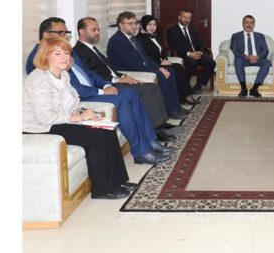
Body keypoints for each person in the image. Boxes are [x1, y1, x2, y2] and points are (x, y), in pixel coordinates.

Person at [26, 18, 175, 164]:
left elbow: (89, 74)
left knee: (131, 93)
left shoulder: (68, 52)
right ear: (46, 35)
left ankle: (150, 141)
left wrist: (105, 86)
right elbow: (68, 89)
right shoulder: (39, 57)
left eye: (66, 32)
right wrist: (101, 92)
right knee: (122, 100)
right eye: (61, 32)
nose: (65, 36)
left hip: (89, 90)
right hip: (80, 97)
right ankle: (141, 152)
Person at [23, 38, 133, 199]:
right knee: (96, 137)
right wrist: (78, 117)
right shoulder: (38, 79)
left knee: (107, 130)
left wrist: (85, 113)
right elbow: (45, 116)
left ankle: (118, 182)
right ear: (45, 56)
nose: (64, 57)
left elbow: (71, 103)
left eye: (66, 53)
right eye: (57, 54)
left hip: (60, 120)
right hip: (40, 127)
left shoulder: (63, 75)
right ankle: (103, 189)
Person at [72, 17, 184, 138]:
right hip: (108, 84)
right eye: (93, 30)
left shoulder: (92, 47)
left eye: (98, 30)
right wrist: (115, 80)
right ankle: (156, 131)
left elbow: (109, 68)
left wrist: (122, 76)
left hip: (117, 78)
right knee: (144, 90)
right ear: (82, 31)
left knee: (152, 87)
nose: (98, 33)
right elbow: (92, 75)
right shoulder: (78, 51)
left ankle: (161, 124)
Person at [107, 11, 188, 119]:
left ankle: (175, 107)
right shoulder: (117, 40)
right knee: (161, 76)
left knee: (170, 71)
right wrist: (156, 71)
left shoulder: (133, 38)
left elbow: (145, 58)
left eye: (135, 23)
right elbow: (132, 63)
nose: (134, 26)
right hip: (128, 72)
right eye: (130, 23)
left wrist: (159, 68)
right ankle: (170, 111)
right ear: (121, 25)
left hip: (139, 67)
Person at [136, 14, 199, 106]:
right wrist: (160, 62)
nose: (152, 27)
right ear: (144, 25)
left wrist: (165, 59)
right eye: (149, 25)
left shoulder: (154, 36)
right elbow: (145, 57)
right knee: (176, 68)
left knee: (178, 67)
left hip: (161, 62)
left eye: (154, 25)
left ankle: (184, 95)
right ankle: (185, 96)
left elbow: (162, 51)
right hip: (153, 65)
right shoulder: (140, 39)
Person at [166, 9, 217, 93]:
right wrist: (189, 54)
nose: (187, 20)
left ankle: (198, 85)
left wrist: (200, 52)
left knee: (211, 63)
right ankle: (184, 86)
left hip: (196, 53)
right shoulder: (172, 30)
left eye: (189, 18)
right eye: (184, 17)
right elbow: (173, 46)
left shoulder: (192, 28)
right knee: (192, 64)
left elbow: (200, 42)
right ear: (179, 17)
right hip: (182, 55)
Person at [229, 15, 272, 97]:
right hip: (244, 59)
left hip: (257, 59)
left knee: (267, 63)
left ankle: (254, 89)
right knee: (237, 60)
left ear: (254, 25)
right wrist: (247, 57)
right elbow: (235, 50)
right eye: (247, 22)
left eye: (251, 23)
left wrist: (258, 57)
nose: (249, 24)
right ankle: (244, 89)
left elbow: (265, 50)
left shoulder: (260, 36)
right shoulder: (236, 36)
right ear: (243, 24)